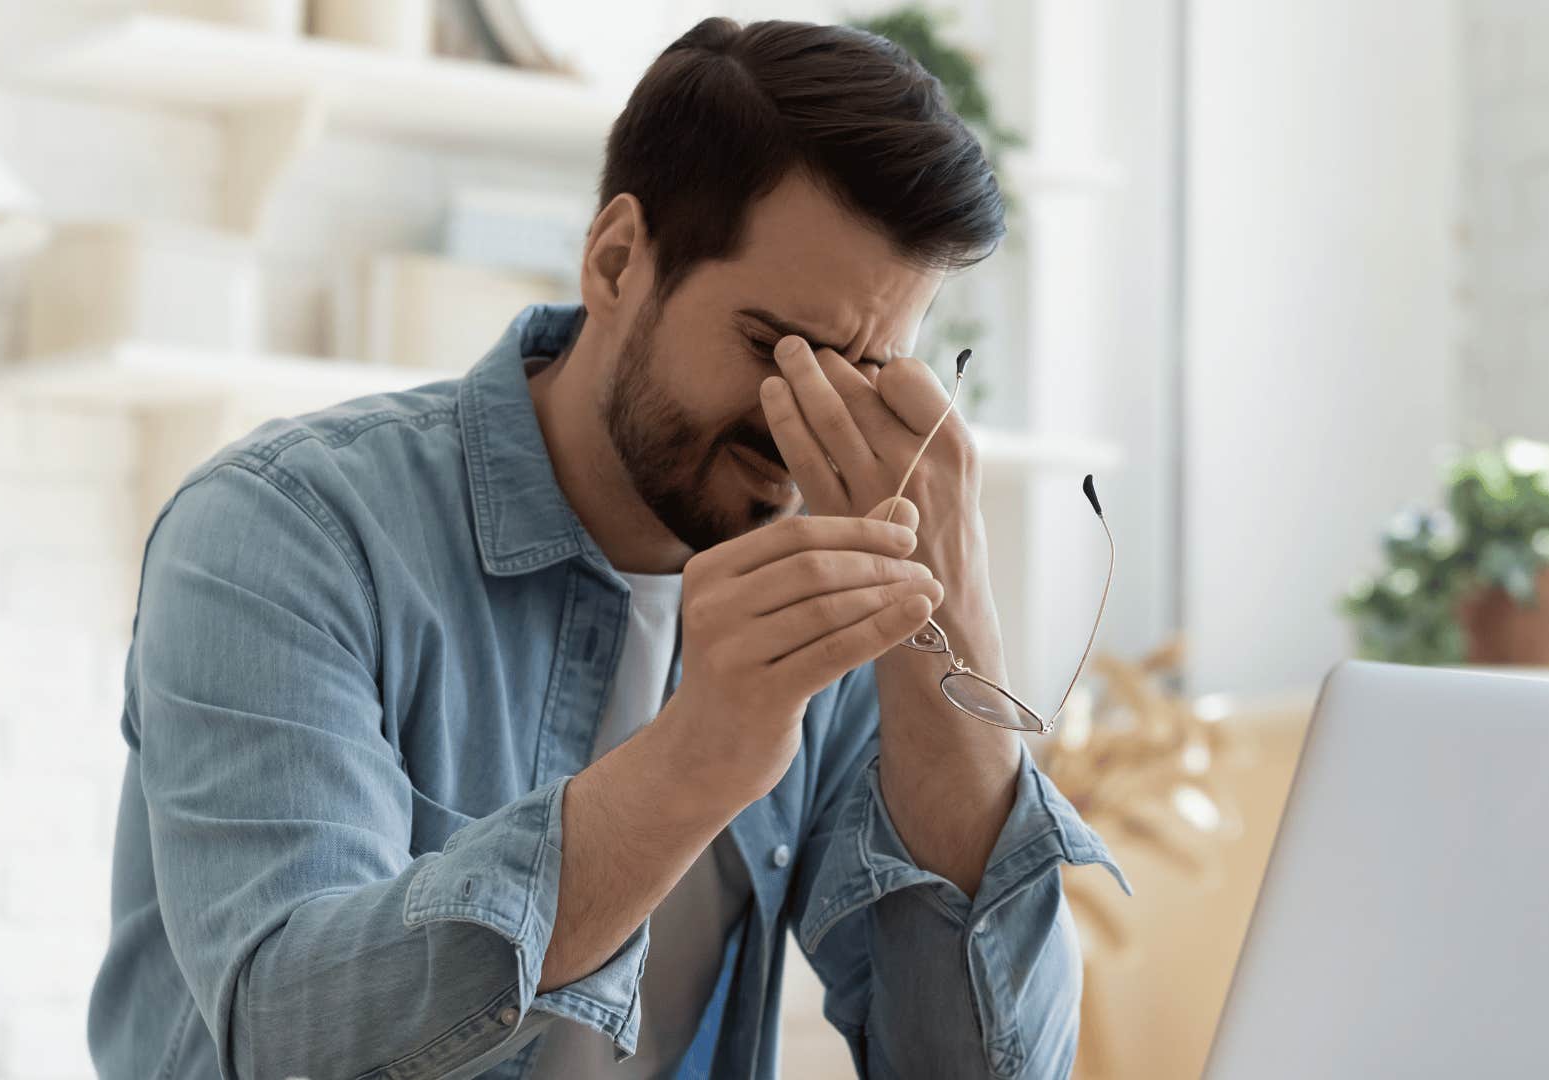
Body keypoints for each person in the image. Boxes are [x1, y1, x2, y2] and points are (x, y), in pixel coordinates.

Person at [88, 16, 1123, 1079]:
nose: (804, 418)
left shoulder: (840, 609)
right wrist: (704, 751)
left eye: (866, 376)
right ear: (618, 259)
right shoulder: (287, 532)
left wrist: (955, 623)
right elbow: (291, 1039)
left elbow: (976, 1070)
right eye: (778, 348)